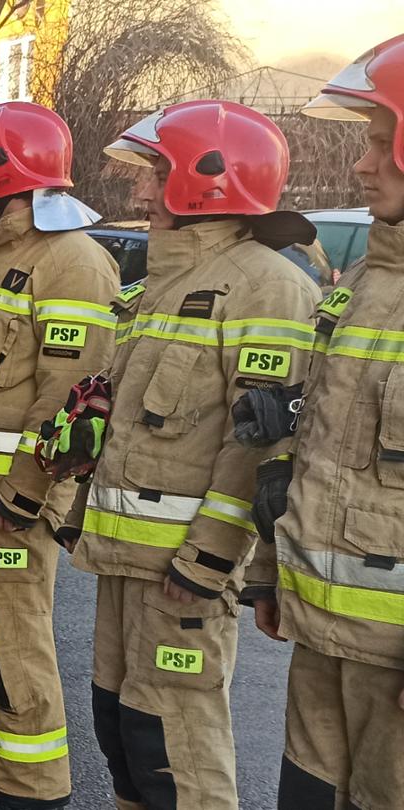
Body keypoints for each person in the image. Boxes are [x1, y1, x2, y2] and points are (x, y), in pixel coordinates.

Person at [60, 100, 320, 810]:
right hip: (128, 559)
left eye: (154, 175)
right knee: (124, 731)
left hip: (180, 569)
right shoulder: (167, 282)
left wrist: (208, 560)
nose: (139, 192)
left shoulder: (270, 286)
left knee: (178, 742)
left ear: (204, 180)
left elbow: (259, 443)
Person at [0, 101, 120, 809]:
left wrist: (28, 494)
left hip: (12, 504)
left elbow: (66, 396)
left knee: (14, 641)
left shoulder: (72, 261)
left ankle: (36, 787)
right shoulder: (1, 255)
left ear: (3, 173)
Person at [251, 33, 404, 809]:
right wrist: (269, 574)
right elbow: (309, 448)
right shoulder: (364, 283)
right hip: (321, 636)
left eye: (381, 144)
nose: (359, 165)